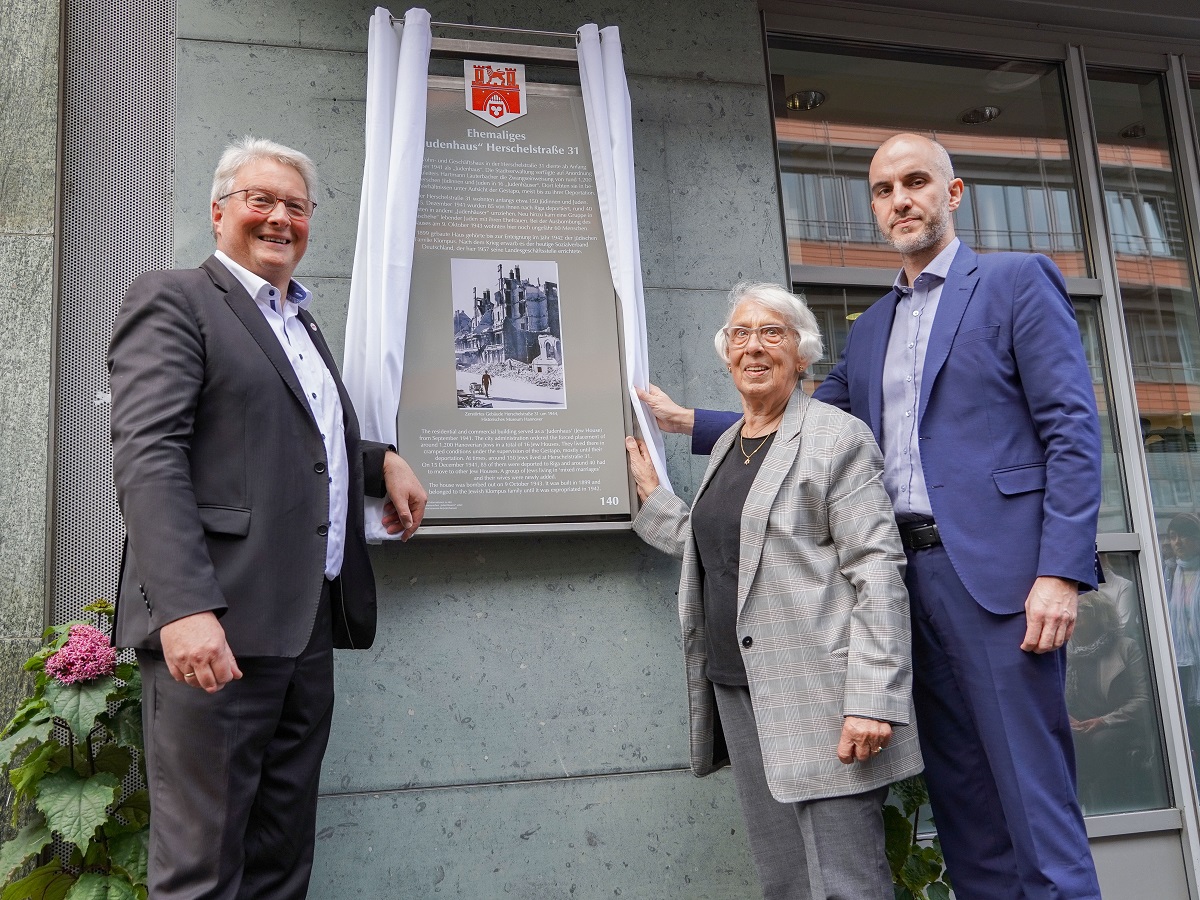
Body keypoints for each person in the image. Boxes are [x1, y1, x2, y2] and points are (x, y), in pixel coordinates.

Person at [638, 134, 1103, 897]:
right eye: (884, 190)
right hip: (904, 586)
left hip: (1001, 586)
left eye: (917, 183)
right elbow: (807, 431)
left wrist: (1059, 570)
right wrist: (692, 422)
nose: (901, 201)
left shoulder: (1017, 282)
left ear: (953, 195)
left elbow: (1072, 432)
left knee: (1035, 804)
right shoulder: (874, 325)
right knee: (965, 813)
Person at [108, 137, 428, 900]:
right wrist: (185, 608)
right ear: (219, 213)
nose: (279, 217)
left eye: (296, 205)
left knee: (281, 861)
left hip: (303, 627)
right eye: (261, 200)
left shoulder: (301, 321)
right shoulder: (176, 298)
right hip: (216, 624)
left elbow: (289, 433)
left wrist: (379, 458)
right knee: (203, 870)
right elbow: (150, 455)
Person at [627, 282, 922, 900]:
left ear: (802, 353)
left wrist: (871, 699)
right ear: (725, 353)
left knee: (848, 885)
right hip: (741, 690)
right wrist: (654, 499)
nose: (753, 347)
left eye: (772, 333)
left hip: (824, 698)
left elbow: (878, 571)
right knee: (785, 882)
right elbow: (719, 547)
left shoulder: (836, 438)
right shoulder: (731, 446)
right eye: (740, 334)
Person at [1066, 591, 1155, 812]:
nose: (1074, 613)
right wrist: (1065, 717)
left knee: (1101, 742)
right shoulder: (1063, 649)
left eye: (1083, 609)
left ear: (1100, 615)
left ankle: (1111, 809)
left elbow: (1143, 699)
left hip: (1117, 723)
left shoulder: (1125, 647)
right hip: (1077, 724)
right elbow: (1051, 696)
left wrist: (1104, 721)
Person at [1165, 512, 1200, 765]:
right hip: (1182, 662)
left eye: (1185, 536)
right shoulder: (1167, 574)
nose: (1178, 542)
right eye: (1173, 536)